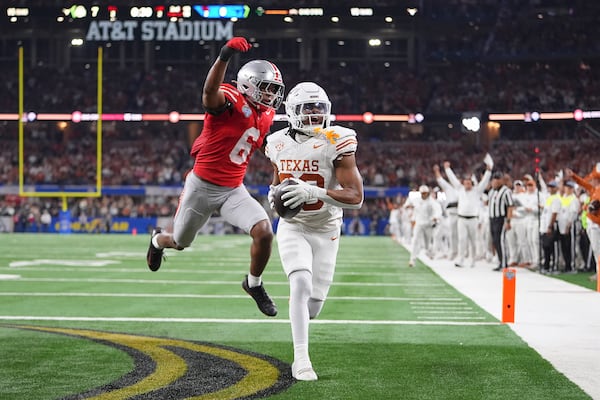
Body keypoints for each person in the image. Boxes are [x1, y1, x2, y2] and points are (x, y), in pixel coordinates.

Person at [146, 37, 285, 317]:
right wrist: (224, 56)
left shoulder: (267, 114)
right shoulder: (230, 100)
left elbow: (264, 147)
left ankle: (253, 283)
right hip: (201, 187)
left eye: (274, 90)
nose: (271, 95)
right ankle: (158, 241)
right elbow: (209, 93)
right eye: (266, 88)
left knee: (264, 233)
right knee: (181, 243)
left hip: (233, 190)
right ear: (248, 84)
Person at [264, 82, 364, 381]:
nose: (315, 114)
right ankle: (301, 359)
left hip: (326, 228)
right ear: (292, 112)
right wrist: (273, 194)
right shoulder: (277, 141)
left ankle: (301, 328)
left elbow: (356, 197)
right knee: (300, 284)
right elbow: (278, 178)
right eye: (308, 108)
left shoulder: (338, 139)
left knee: (314, 306)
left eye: (319, 108)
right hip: (293, 226)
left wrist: (314, 191)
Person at [434, 156, 492, 268]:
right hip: (461, 218)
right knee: (462, 239)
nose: (467, 185)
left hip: (473, 219)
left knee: (473, 240)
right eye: (465, 183)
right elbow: (453, 179)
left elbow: (484, 182)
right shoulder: (460, 189)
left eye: (469, 183)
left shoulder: (477, 191)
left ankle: (473, 259)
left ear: (472, 184)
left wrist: (488, 171)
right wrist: (447, 169)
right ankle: (461, 259)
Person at [404, 185, 442, 267]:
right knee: (415, 240)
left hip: (428, 224)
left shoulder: (431, 201)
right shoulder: (416, 199)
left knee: (427, 244)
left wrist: (436, 217)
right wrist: (407, 206)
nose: (424, 195)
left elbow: (438, 209)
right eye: (422, 193)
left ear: (428, 193)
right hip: (419, 224)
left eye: (425, 193)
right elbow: (408, 203)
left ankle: (429, 252)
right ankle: (412, 259)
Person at [488, 171, 515, 271]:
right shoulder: (492, 191)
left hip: (501, 218)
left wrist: (508, 221)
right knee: (495, 240)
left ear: (501, 181)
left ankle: (504, 263)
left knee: (501, 241)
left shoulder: (506, 191)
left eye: (497, 180)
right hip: (492, 218)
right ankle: (500, 261)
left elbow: (510, 206)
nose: (494, 182)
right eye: (493, 180)